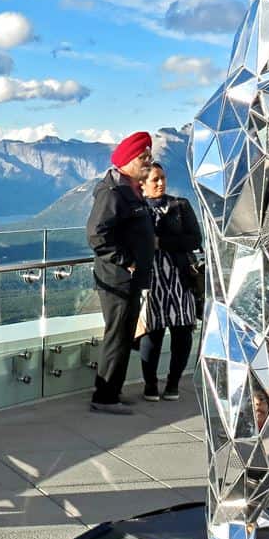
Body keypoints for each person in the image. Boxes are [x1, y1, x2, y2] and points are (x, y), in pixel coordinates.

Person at [86, 131, 157, 415]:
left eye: (149, 156)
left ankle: (112, 392)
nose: (148, 161)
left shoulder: (130, 188)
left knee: (125, 334)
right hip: (117, 280)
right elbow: (96, 234)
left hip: (129, 279)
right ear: (127, 160)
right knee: (117, 335)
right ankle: (104, 398)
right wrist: (126, 260)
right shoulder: (113, 192)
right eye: (143, 157)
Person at [137, 161, 201, 402]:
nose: (161, 183)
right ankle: (150, 384)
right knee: (152, 332)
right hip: (150, 280)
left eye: (163, 178)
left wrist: (161, 243)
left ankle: (173, 383)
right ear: (142, 184)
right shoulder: (138, 208)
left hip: (180, 277)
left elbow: (195, 239)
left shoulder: (180, 206)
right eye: (155, 179)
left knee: (182, 331)